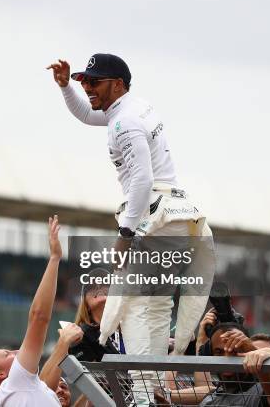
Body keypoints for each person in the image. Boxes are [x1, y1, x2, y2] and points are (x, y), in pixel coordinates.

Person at [48, 55, 216, 404]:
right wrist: (66, 88)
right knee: (152, 309)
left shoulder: (124, 123)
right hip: (177, 219)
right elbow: (87, 114)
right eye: (84, 82)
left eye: (93, 82)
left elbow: (141, 180)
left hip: (158, 219)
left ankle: (143, 398)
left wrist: (125, 234)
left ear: (118, 84)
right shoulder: (134, 108)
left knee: (139, 312)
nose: (87, 88)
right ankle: (151, 395)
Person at [0, 216, 64, 406]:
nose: (15, 351)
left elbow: (44, 384)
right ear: (0, 374)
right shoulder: (15, 381)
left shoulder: (15, 392)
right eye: (6, 353)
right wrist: (54, 258)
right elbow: (38, 317)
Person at [196, 323, 270, 407]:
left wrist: (258, 355)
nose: (227, 359)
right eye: (219, 352)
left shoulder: (260, 392)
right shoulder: (209, 399)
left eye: (235, 351)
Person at [71, 268, 124, 361]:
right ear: (85, 304)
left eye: (106, 284)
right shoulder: (81, 335)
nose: (99, 286)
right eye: (92, 287)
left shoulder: (129, 327)